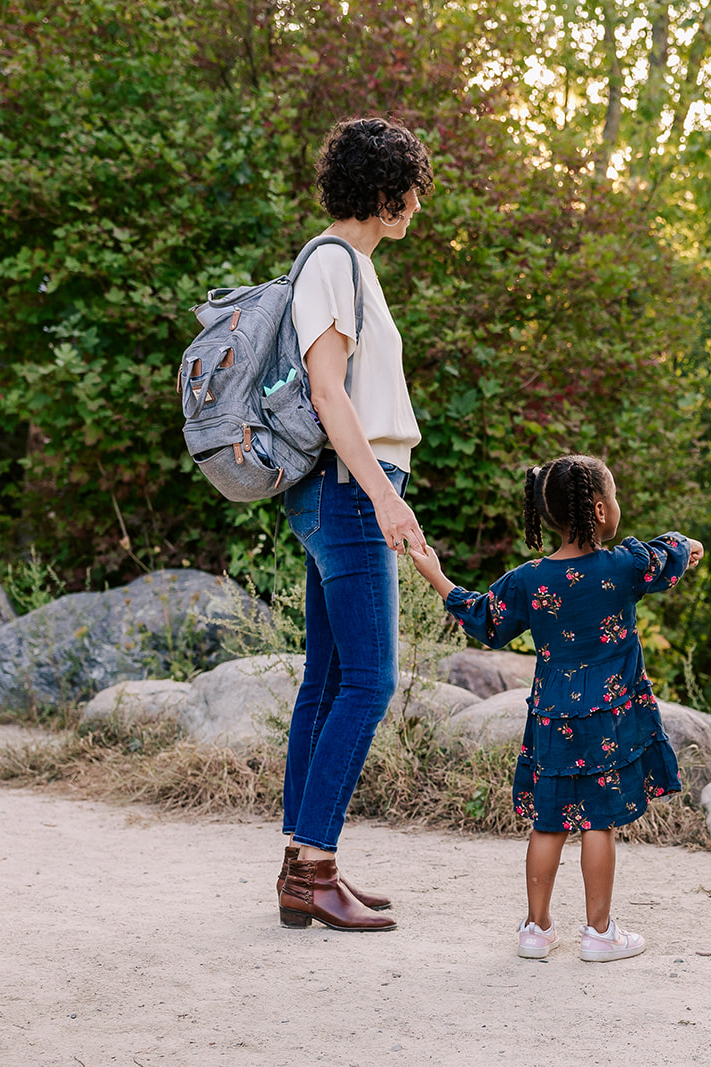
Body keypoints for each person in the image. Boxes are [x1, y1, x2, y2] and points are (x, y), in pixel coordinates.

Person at [407, 454, 703, 961]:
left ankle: (535, 930)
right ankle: (600, 934)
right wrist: (688, 544)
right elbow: (670, 554)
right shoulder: (624, 567)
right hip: (606, 722)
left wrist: (436, 576)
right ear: (599, 508)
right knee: (597, 823)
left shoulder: (530, 580)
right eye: (614, 497)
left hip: (549, 719)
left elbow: (485, 620)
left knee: (549, 823)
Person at [275, 116, 433, 932]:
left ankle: (302, 865)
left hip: (342, 488)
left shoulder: (347, 266)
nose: (417, 203)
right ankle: (315, 864)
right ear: (381, 191)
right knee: (368, 681)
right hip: (348, 487)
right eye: (411, 187)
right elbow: (330, 393)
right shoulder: (335, 264)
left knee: (329, 679)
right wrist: (383, 495)